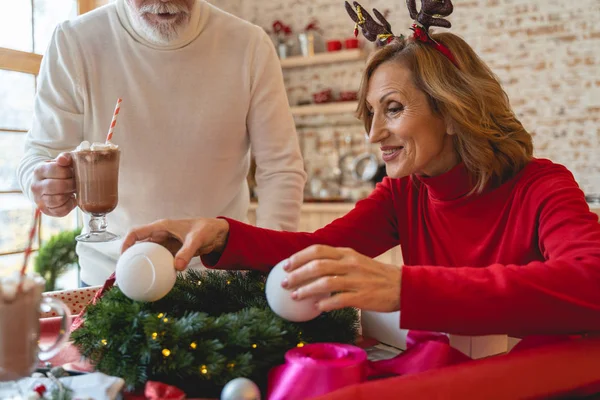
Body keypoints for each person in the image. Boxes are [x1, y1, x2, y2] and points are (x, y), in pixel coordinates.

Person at [121, 0, 600, 339]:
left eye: (392, 109)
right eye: (371, 113)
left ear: (453, 113)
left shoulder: (541, 185)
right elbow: (315, 251)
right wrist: (221, 234)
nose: (373, 135)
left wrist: (405, 289)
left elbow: (590, 283)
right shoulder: (405, 195)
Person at [17, 0, 307, 286]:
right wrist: (43, 184)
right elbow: (41, 154)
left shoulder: (249, 44)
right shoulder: (74, 40)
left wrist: (267, 263)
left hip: (220, 279)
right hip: (109, 276)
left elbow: (281, 167)